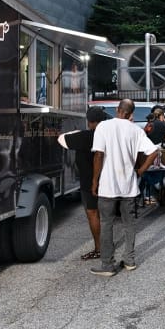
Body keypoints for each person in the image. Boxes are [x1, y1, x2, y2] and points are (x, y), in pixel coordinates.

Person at [90, 99, 159, 276]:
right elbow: (153, 151)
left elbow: (99, 155)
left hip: (107, 186)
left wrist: (95, 181)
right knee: (129, 224)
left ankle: (107, 265)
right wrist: (141, 170)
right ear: (131, 113)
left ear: (117, 110)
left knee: (107, 224)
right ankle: (129, 260)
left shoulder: (103, 127)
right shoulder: (136, 130)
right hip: (129, 186)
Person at [57, 106, 110, 260]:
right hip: (109, 180)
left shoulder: (84, 136)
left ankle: (100, 248)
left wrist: (76, 132)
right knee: (107, 215)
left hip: (89, 182)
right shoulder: (109, 135)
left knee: (93, 213)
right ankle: (108, 246)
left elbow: (61, 139)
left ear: (89, 122)